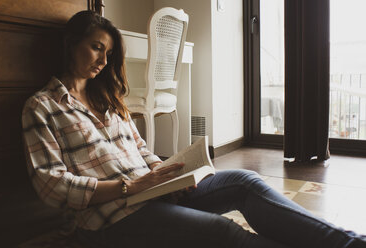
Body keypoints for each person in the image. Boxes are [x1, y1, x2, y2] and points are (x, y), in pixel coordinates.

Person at [22, 10, 366, 248]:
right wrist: (129, 187)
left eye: (109, 53)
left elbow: (141, 149)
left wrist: (164, 172)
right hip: (108, 219)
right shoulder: (43, 107)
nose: (103, 60)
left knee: (245, 182)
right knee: (224, 231)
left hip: (152, 193)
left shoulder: (108, 99)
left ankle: (348, 243)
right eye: (97, 47)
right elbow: (51, 186)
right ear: (71, 43)